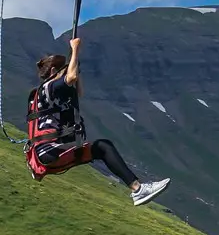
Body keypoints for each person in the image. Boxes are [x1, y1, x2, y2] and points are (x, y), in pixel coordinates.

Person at [27, 40, 170, 206]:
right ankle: (138, 190)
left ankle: (138, 190)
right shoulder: (49, 87)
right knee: (103, 147)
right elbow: (71, 77)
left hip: (51, 152)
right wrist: (75, 50)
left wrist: (75, 65)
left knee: (103, 147)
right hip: (51, 151)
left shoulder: (43, 93)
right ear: (53, 71)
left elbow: (78, 92)